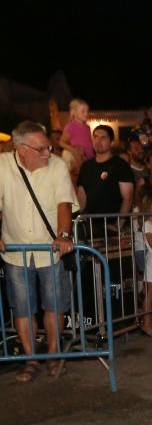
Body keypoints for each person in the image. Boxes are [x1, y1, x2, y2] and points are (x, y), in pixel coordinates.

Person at [0, 121, 79, 381]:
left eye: (49, 147)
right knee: (23, 309)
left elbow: (64, 204)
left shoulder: (57, 166)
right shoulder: (2, 166)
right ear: (22, 149)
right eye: (41, 149)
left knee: (55, 305)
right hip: (15, 251)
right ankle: (30, 359)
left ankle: (54, 355)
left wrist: (64, 235)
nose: (48, 153)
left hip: (51, 250)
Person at [76, 124, 135, 232]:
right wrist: (76, 217)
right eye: (96, 137)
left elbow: (128, 198)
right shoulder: (86, 166)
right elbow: (82, 196)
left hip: (111, 226)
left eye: (103, 138)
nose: (98, 141)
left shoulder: (120, 165)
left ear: (111, 142)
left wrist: (118, 225)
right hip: (90, 225)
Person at [60, 98, 93, 165]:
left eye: (87, 111)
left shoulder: (87, 127)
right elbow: (61, 142)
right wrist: (73, 150)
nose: (86, 114)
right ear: (73, 112)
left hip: (90, 157)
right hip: (80, 160)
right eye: (83, 111)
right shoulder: (70, 127)